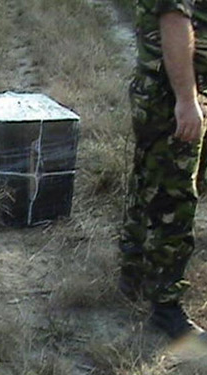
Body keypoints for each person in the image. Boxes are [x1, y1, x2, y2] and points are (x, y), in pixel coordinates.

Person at [119, 0, 207, 339]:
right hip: (171, 95)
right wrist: (185, 99)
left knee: (150, 182)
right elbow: (173, 19)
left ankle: (135, 273)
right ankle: (165, 304)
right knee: (175, 196)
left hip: (180, 93)